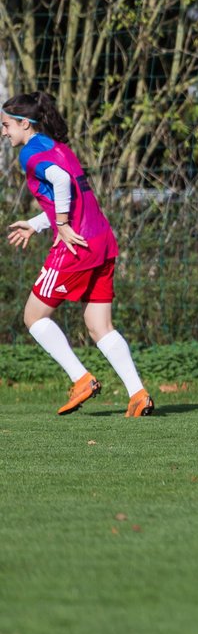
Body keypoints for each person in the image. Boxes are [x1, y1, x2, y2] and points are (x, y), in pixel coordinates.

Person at [2, 92, 153, 417]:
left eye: (6, 125)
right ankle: (138, 394)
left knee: (33, 317)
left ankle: (81, 379)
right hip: (102, 239)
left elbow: (59, 182)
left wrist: (60, 225)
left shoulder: (29, 153)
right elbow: (72, 194)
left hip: (76, 247)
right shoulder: (58, 147)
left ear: (24, 124)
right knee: (99, 324)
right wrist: (36, 224)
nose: (4, 132)